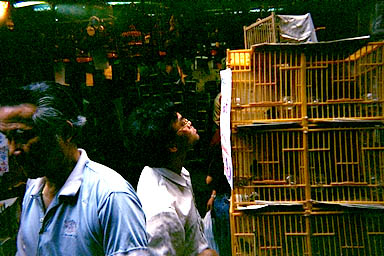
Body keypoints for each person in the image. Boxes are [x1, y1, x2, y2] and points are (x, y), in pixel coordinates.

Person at [0, 81, 150, 256]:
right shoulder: (34, 187)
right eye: (7, 138)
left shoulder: (111, 196)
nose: (12, 150)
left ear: (65, 132)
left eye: (22, 136)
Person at [127, 99, 218, 256]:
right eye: (182, 123)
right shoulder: (162, 213)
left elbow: (192, 240)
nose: (189, 123)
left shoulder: (174, 170)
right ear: (172, 146)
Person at [206, 92, 231, 256]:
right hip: (224, 196)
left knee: (225, 240)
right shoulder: (221, 141)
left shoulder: (220, 140)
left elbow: (211, 177)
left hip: (224, 196)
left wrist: (213, 194)